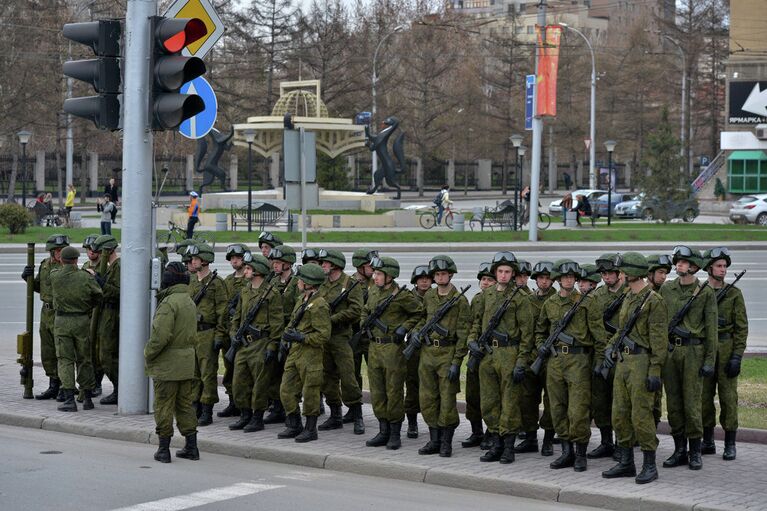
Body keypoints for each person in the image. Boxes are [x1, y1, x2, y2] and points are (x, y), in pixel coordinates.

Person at [535, 259, 608, 472]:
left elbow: (599, 336)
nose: (568, 280)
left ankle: (580, 453)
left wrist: (599, 361)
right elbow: (540, 331)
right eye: (565, 277)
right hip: (555, 361)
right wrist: (541, 347)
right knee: (557, 408)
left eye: (572, 277)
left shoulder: (587, 301)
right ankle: (566, 452)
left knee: (578, 410)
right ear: (557, 279)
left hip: (579, 361)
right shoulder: (550, 304)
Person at [601, 252, 667, 484]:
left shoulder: (653, 300)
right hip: (623, 362)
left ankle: (650, 465)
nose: (620, 274)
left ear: (634, 271)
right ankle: (626, 462)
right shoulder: (628, 296)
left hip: (641, 362)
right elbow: (621, 330)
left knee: (641, 415)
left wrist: (655, 370)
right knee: (619, 413)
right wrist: (610, 347)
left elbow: (659, 341)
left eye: (623, 270)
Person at [467, 251, 533, 464]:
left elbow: (527, 334)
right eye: (500, 271)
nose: (503, 275)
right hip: (488, 354)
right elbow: (477, 323)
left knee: (509, 403)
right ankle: (495, 441)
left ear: (513, 274)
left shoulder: (521, 298)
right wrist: (472, 342)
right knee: (489, 401)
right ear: (495, 272)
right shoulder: (487, 295)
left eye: (507, 272)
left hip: (509, 353)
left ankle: (507, 447)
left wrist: (522, 362)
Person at [659, 246, 717, 471]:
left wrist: (710, 360)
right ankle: (679, 449)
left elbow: (711, 330)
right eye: (677, 262)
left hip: (694, 353)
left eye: (683, 262)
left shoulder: (705, 292)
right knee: (673, 403)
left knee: (692, 403)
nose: (678, 265)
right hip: (672, 352)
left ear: (693, 266)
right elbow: (660, 323)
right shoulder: (667, 289)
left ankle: (695, 451)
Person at [410, 255, 470, 458]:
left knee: (447, 401)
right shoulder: (429, 297)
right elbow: (421, 319)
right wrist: (417, 333)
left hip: (447, 353)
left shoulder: (460, 301)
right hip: (427, 354)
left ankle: (446, 442)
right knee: (427, 398)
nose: (440, 277)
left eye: (444, 273)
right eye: (437, 274)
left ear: (450, 275)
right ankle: (434, 439)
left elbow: (463, 333)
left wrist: (457, 361)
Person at [363, 256, 422, 450]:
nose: (375, 277)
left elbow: (419, 313)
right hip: (374, 348)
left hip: (392, 349)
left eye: (379, 274)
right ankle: (383, 430)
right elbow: (365, 310)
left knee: (394, 391)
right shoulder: (372, 290)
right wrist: (365, 323)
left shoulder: (401, 295)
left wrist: (404, 328)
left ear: (390, 276)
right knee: (377, 391)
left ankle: (395, 433)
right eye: (375, 273)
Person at [145, 262, 199, 464]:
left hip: (168, 364)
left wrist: (148, 353)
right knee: (184, 405)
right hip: (186, 362)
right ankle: (191, 446)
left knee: (164, 406)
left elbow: (160, 337)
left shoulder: (168, 303)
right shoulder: (188, 300)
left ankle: (163, 449)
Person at [228, 252, 284, 432]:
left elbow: (277, 323)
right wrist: (234, 335)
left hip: (261, 343)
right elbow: (237, 317)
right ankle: (245, 415)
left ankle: (257, 417)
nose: (245, 271)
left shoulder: (271, 294)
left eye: (249, 268)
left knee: (260, 384)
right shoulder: (245, 291)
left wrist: (272, 345)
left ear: (258, 271)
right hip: (243, 344)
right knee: (239, 382)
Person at [701, 247, 748, 461]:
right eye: (719, 266)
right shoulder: (700, 293)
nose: (723, 270)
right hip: (704, 350)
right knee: (703, 397)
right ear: (709, 268)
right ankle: (708, 441)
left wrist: (737, 355)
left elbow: (741, 328)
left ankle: (730, 443)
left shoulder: (733, 294)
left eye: (725, 266)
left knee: (729, 398)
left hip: (727, 348)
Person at [277, 264, 332, 443]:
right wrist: (286, 338)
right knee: (286, 389)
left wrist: (301, 337)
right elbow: (292, 323)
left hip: (311, 354)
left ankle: (310, 429)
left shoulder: (319, 305)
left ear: (309, 283)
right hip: (295, 352)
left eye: (301, 279)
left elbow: (323, 335)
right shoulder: (302, 300)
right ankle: (294, 424)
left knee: (310, 392)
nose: (298, 282)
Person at [317, 249, 366, 435]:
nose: (322, 265)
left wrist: (334, 318)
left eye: (325, 262)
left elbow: (356, 310)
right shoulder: (322, 283)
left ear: (335, 264)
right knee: (327, 378)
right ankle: (335, 415)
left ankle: (357, 414)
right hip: (324, 338)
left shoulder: (350, 284)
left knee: (348, 377)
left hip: (340, 337)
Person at [50, 246, 103, 412]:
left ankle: (69, 399)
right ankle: (87, 398)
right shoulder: (84, 277)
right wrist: (87, 306)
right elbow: (99, 295)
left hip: (62, 321)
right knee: (84, 358)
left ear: (61, 259)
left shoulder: (55, 276)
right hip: (81, 320)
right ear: (76, 260)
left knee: (65, 360)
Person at [21, 234, 70, 401]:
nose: (60, 252)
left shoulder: (69, 267)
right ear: (51, 252)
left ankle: (65, 386)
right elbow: (39, 287)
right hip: (46, 312)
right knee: (47, 351)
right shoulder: (44, 266)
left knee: (62, 350)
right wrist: (27, 278)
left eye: (62, 249)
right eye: (57, 250)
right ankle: (53, 385)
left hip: (61, 312)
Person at [516, 261, 557, 456]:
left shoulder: (558, 300)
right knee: (527, 399)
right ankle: (530, 437)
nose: (544, 281)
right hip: (530, 357)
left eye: (548, 278)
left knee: (551, 401)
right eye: (541, 278)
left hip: (551, 359)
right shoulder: (528, 300)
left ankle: (548, 439)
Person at [589, 253, 627, 461]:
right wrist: (603, 351)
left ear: (619, 273)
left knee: (620, 403)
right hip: (601, 354)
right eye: (603, 273)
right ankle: (606, 442)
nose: (606, 276)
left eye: (610, 273)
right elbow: (593, 326)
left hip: (622, 355)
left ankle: (622, 444)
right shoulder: (597, 296)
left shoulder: (630, 294)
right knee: (601, 401)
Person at [186, 243, 229, 426]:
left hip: (207, 332)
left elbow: (223, 312)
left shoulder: (216, 283)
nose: (192, 261)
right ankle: (194, 404)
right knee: (193, 372)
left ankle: (207, 409)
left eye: (195, 258)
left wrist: (219, 335)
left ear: (204, 260)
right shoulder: (192, 280)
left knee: (207, 373)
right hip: (192, 332)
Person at [265, 244, 300, 425]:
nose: (275, 265)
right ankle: (277, 407)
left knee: (290, 374)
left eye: (279, 262)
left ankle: (291, 410)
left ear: (288, 263)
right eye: (274, 262)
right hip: (274, 331)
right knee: (274, 371)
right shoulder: (272, 282)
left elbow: (298, 309)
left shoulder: (296, 283)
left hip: (290, 332)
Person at [462, 262, 495, 449]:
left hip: (491, 353)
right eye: (483, 279)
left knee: (490, 397)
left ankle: (491, 432)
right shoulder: (476, 299)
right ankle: (476, 432)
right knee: (473, 396)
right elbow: (471, 324)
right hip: (476, 352)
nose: (486, 283)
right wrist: (471, 342)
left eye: (490, 280)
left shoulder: (498, 300)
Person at [87, 235, 121, 405]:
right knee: (103, 353)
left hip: (112, 314)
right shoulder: (111, 266)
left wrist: (99, 282)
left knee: (107, 355)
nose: (99, 255)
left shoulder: (119, 266)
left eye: (101, 252)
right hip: (105, 314)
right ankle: (118, 388)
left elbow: (118, 292)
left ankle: (120, 388)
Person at [219, 243, 251, 418]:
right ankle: (233, 402)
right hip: (230, 331)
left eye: (237, 258)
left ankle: (247, 405)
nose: (234, 261)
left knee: (246, 371)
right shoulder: (228, 282)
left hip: (246, 333)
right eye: (231, 258)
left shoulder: (250, 280)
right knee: (229, 369)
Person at [405, 265, 432, 439]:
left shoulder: (437, 297)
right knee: (412, 386)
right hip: (412, 349)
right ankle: (412, 423)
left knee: (430, 388)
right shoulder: (407, 297)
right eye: (421, 278)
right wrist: (412, 331)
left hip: (431, 349)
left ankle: (433, 425)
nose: (424, 281)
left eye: (427, 278)